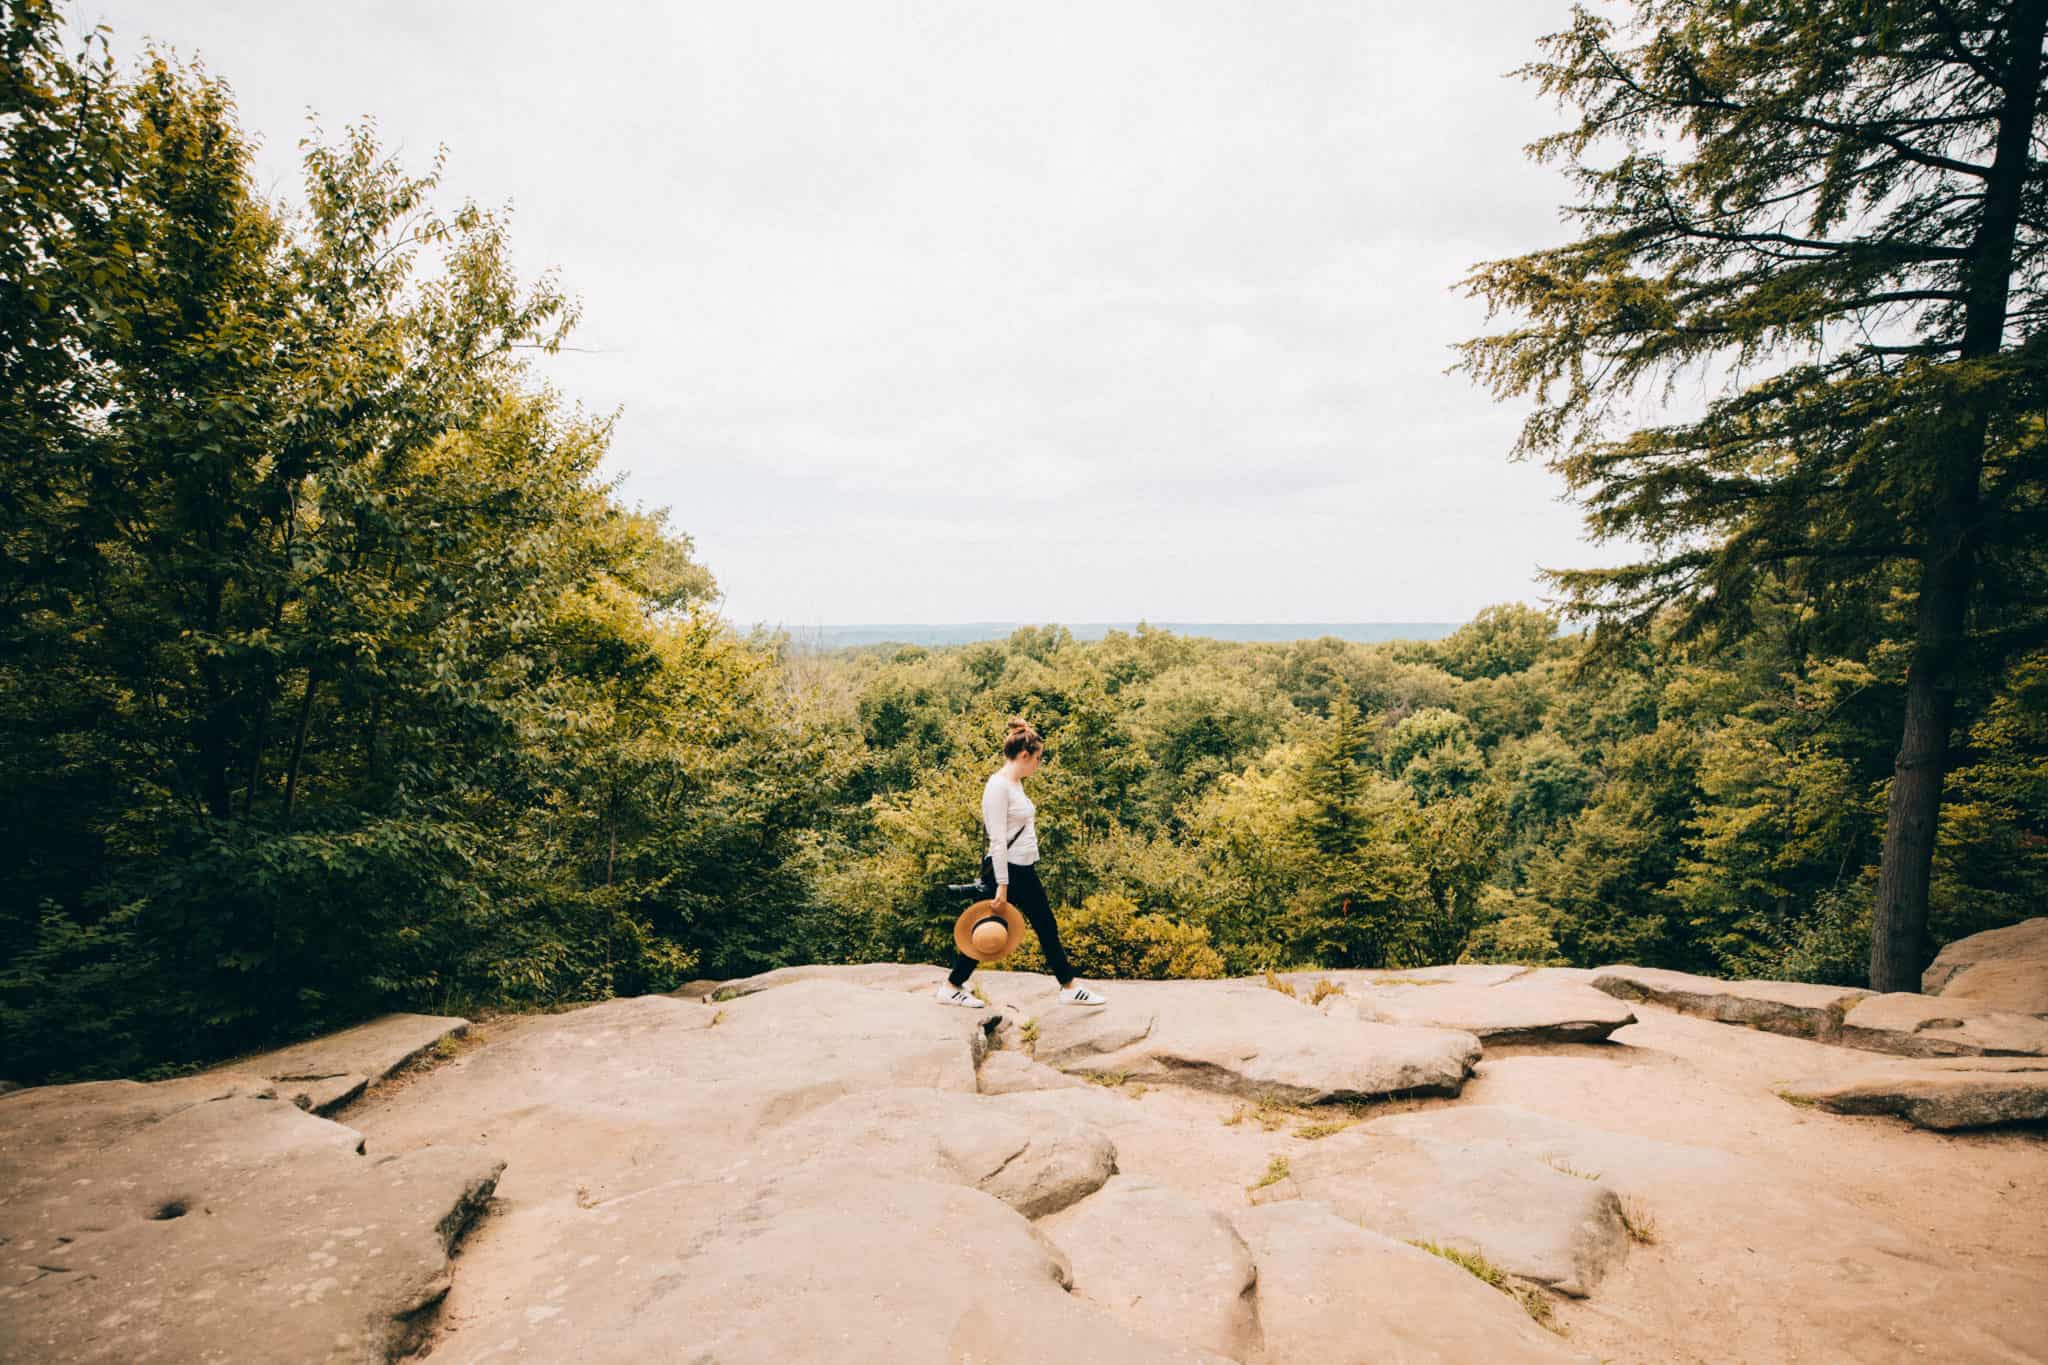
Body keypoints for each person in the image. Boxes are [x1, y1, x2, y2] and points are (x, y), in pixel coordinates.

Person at [935, 718, 1108, 1009]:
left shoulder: (1015, 783)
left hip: (1023, 869)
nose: (1038, 764)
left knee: (1043, 925)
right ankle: (952, 985)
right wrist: (1002, 886)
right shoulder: (998, 787)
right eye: (1037, 758)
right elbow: (998, 840)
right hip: (1007, 872)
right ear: (1024, 755)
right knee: (990, 927)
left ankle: (1068, 986)